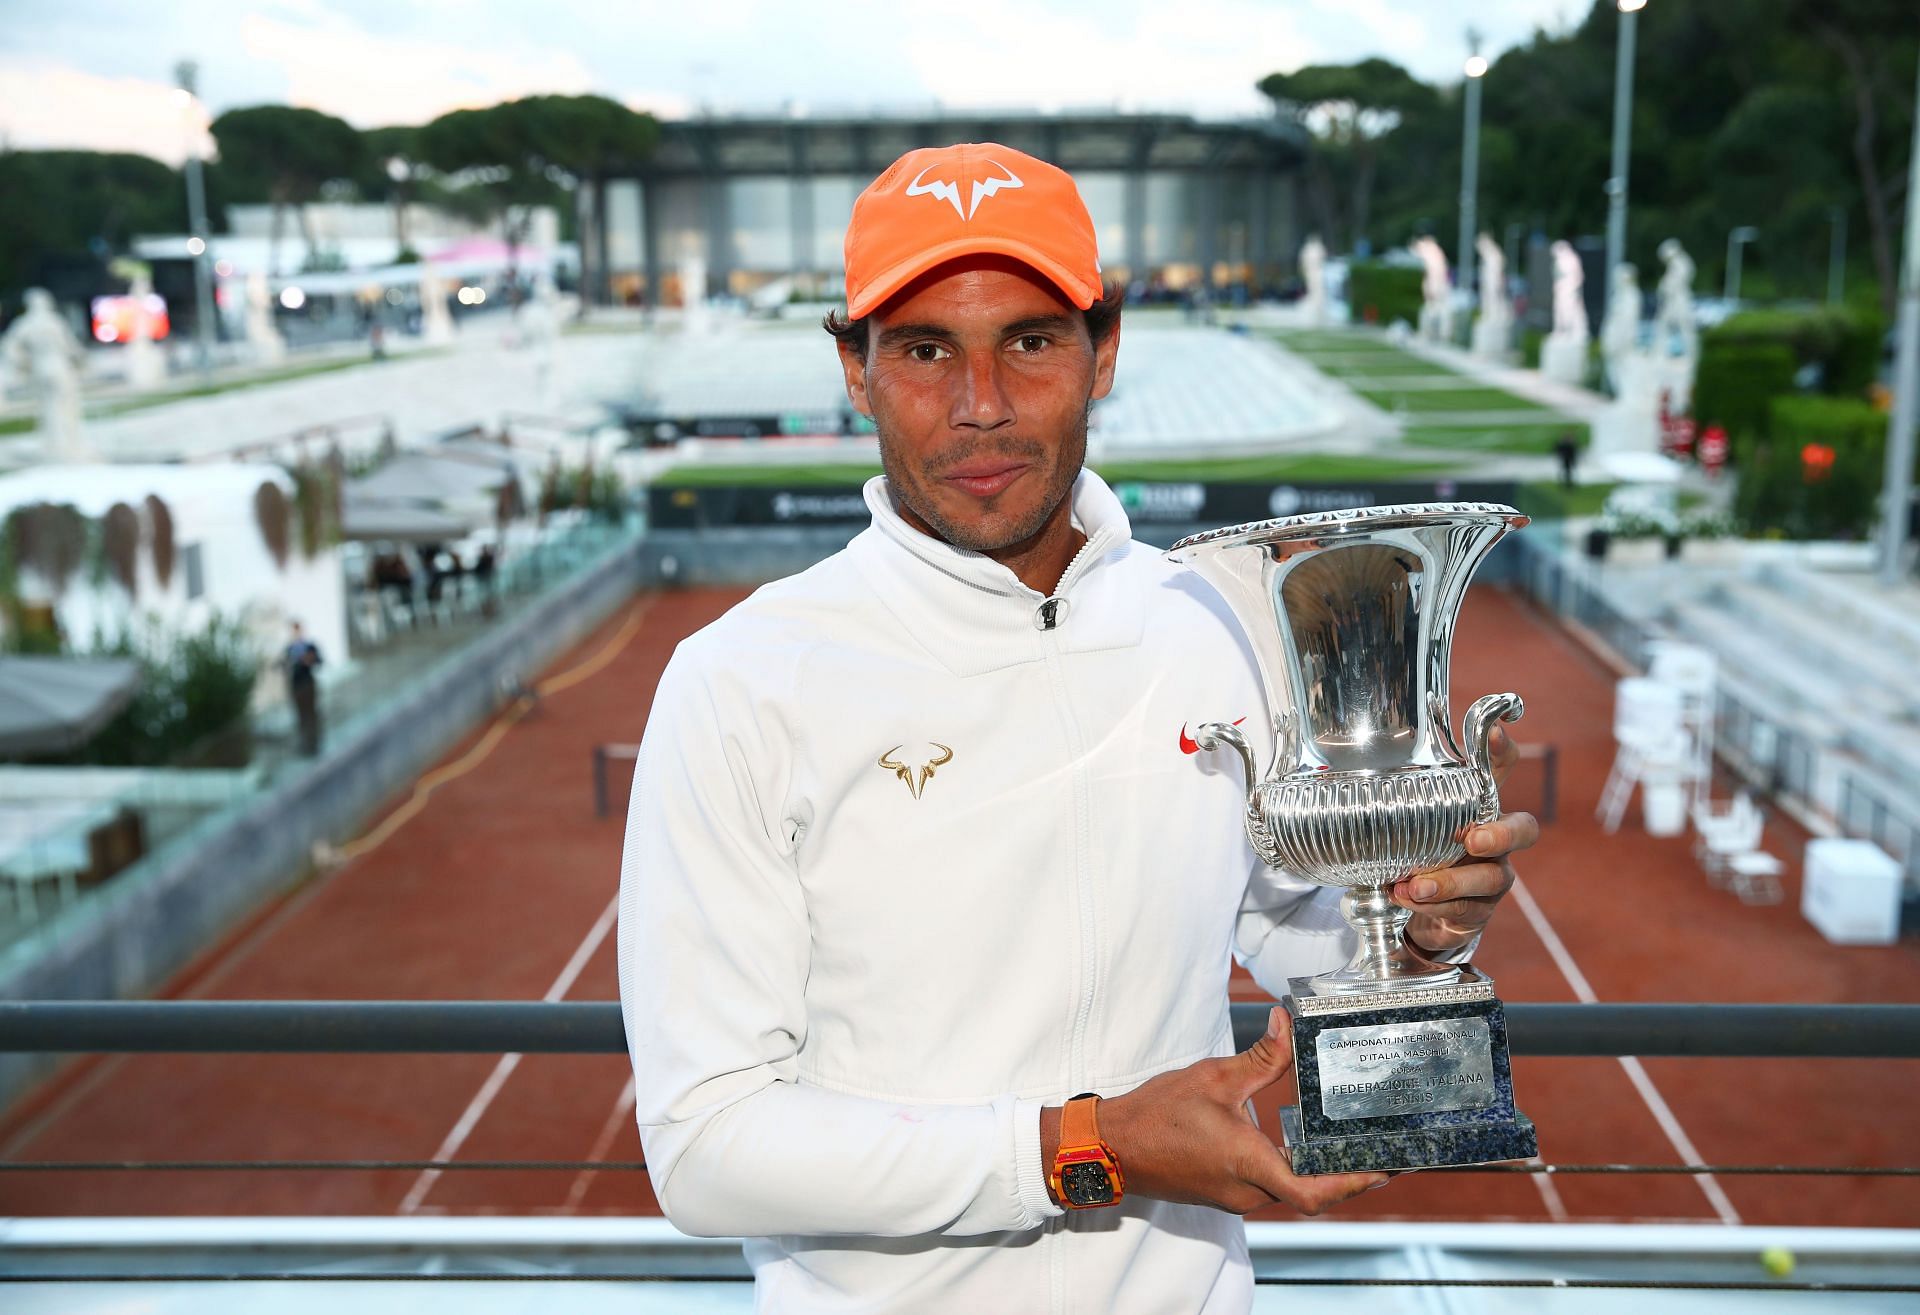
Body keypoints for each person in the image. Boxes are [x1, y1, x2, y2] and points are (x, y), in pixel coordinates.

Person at [617, 143, 1538, 1313]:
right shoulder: (739, 680)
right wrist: (1079, 1145)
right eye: (922, 349)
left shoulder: (1223, 624)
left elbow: (1300, 938)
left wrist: (1413, 933)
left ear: (1105, 351)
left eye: (1032, 340)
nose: (980, 404)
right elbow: (705, 1145)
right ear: (855, 369)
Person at [281, 621, 323, 756]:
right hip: (296, 686)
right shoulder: (289, 649)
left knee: (311, 715)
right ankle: (305, 745)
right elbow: (284, 666)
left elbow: (319, 661)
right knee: (301, 717)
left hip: (308, 684)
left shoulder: (310, 646)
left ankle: (314, 743)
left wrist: (308, 660)